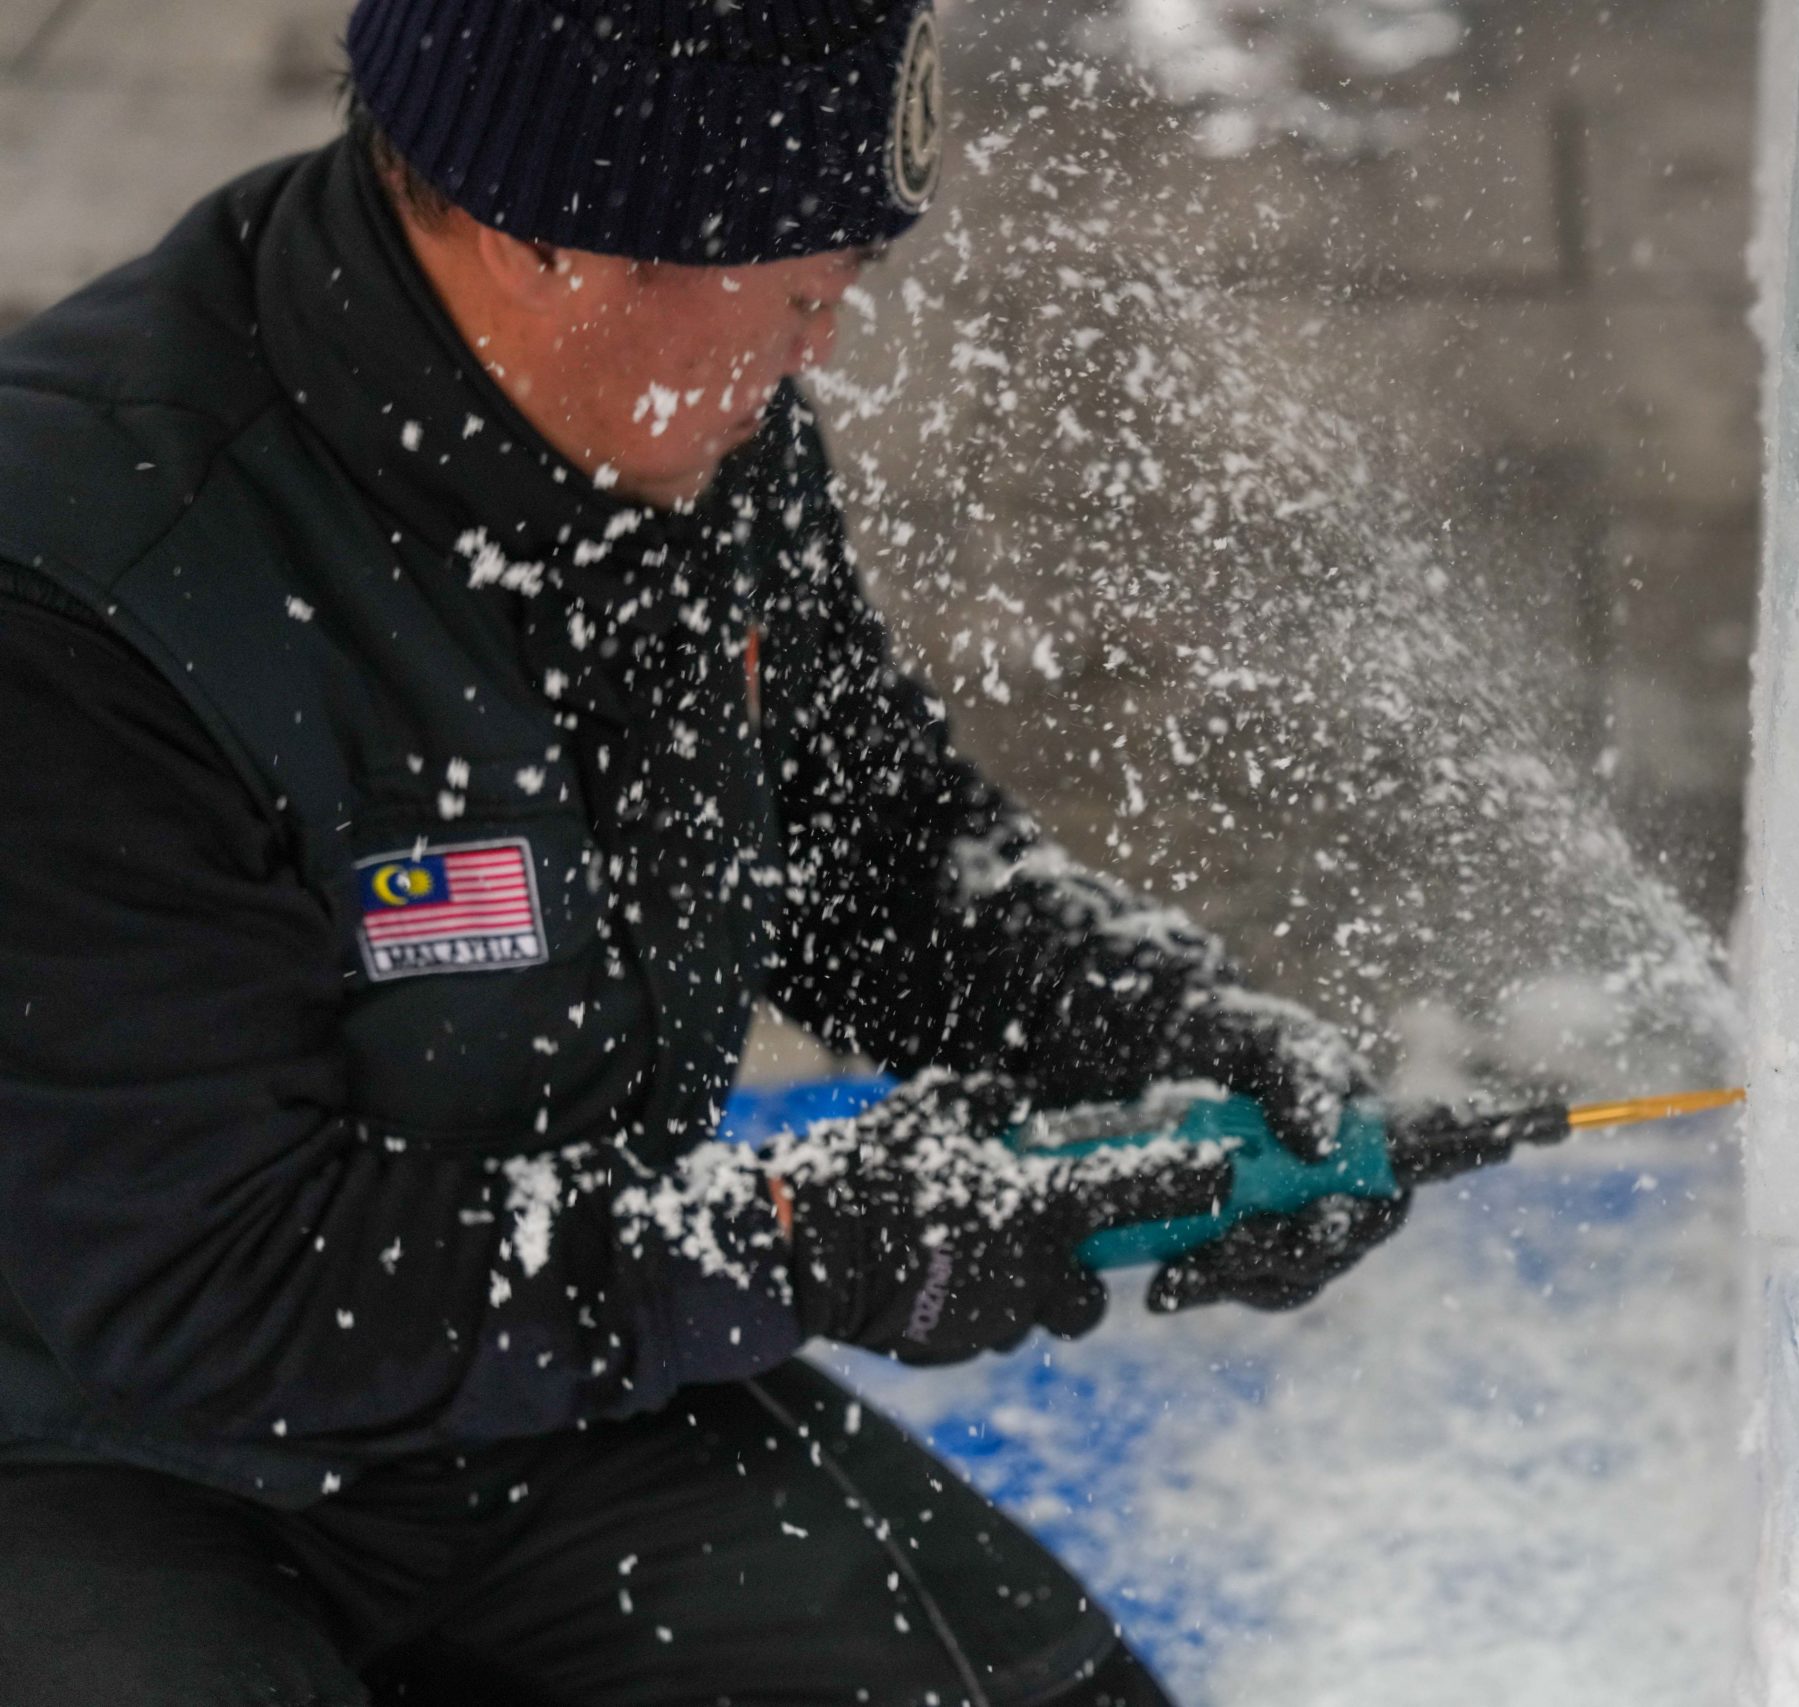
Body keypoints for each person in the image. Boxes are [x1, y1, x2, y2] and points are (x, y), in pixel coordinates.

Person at [0, 2, 1427, 1700]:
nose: (820, 342)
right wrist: (805, 1232)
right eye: (804, 283)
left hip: (532, 1377)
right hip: (100, 1452)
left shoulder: (684, 430)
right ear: (556, 235)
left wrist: (1155, 1032)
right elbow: (209, 1291)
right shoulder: (85, 588)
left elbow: (869, 860)